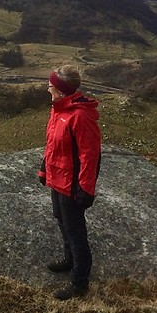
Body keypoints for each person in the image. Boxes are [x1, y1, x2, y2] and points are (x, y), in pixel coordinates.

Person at [37, 64, 101, 300]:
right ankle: (69, 259)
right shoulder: (59, 109)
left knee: (75, 232)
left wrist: (85, 189)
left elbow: (90, 156)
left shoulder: (80, 116)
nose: (48, 89)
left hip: (71, 184)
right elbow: (52, 144)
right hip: (57, 178)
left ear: (60, 90)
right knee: (61, 220)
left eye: (50, 86)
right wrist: (45, 169)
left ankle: (79, 282)